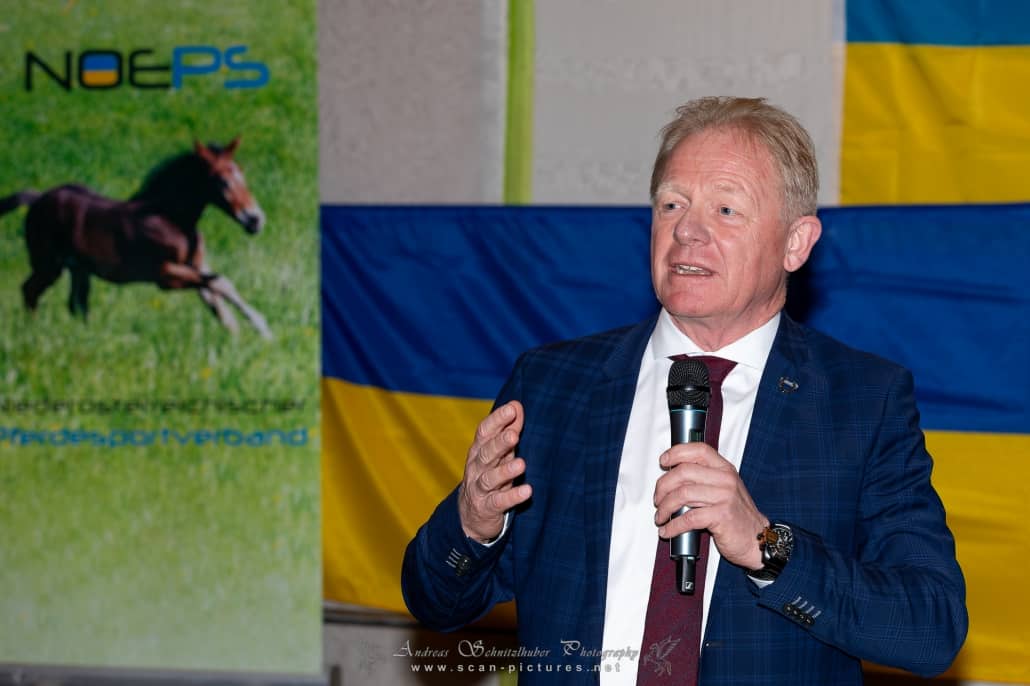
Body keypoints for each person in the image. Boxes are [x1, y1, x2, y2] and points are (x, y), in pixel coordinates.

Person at [402, 96, 967, 685]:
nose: (688, 231)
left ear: (796, 243)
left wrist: (767, 546)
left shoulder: (862, 402)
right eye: (672, 204)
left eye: (725, 209)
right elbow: (436, 603)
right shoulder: (553, 385)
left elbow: (930, 630)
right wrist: (472, 525)